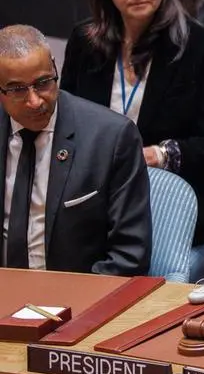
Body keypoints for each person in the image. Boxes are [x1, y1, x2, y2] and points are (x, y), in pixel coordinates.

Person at [60, 0, 204, 252]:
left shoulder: (201, 47)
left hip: (169, 200)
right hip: (95, 197)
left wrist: (157, 155)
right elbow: (66, 127)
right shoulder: (85, 42)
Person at [0, 25, 151, 275]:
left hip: (78, 300)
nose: (35, 100)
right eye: (17, 90)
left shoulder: (111, 138)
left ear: (54, 68)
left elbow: (129, 257)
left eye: (43, 83)